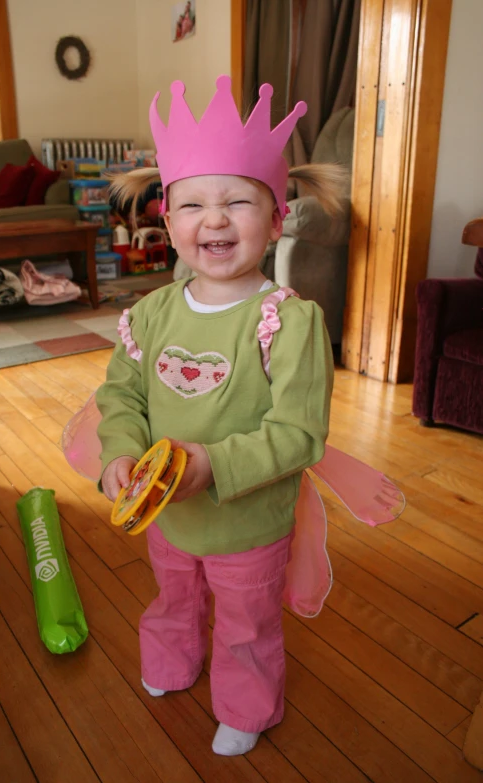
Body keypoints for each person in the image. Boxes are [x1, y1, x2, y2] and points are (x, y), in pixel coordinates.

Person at [94, 76, 344, 756]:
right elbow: (122, 396)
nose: (215, 220)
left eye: (238, 202)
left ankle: (248, 702)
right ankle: (173, 662)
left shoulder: (288, 322)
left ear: (277, 216)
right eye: (194, 204)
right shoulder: (149, 314)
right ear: (167, 219)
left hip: (247, 522)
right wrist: (119, 454)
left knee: (245, 621)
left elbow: (298, 432)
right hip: (167, 514)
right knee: (174, 596)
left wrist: (214, 464)